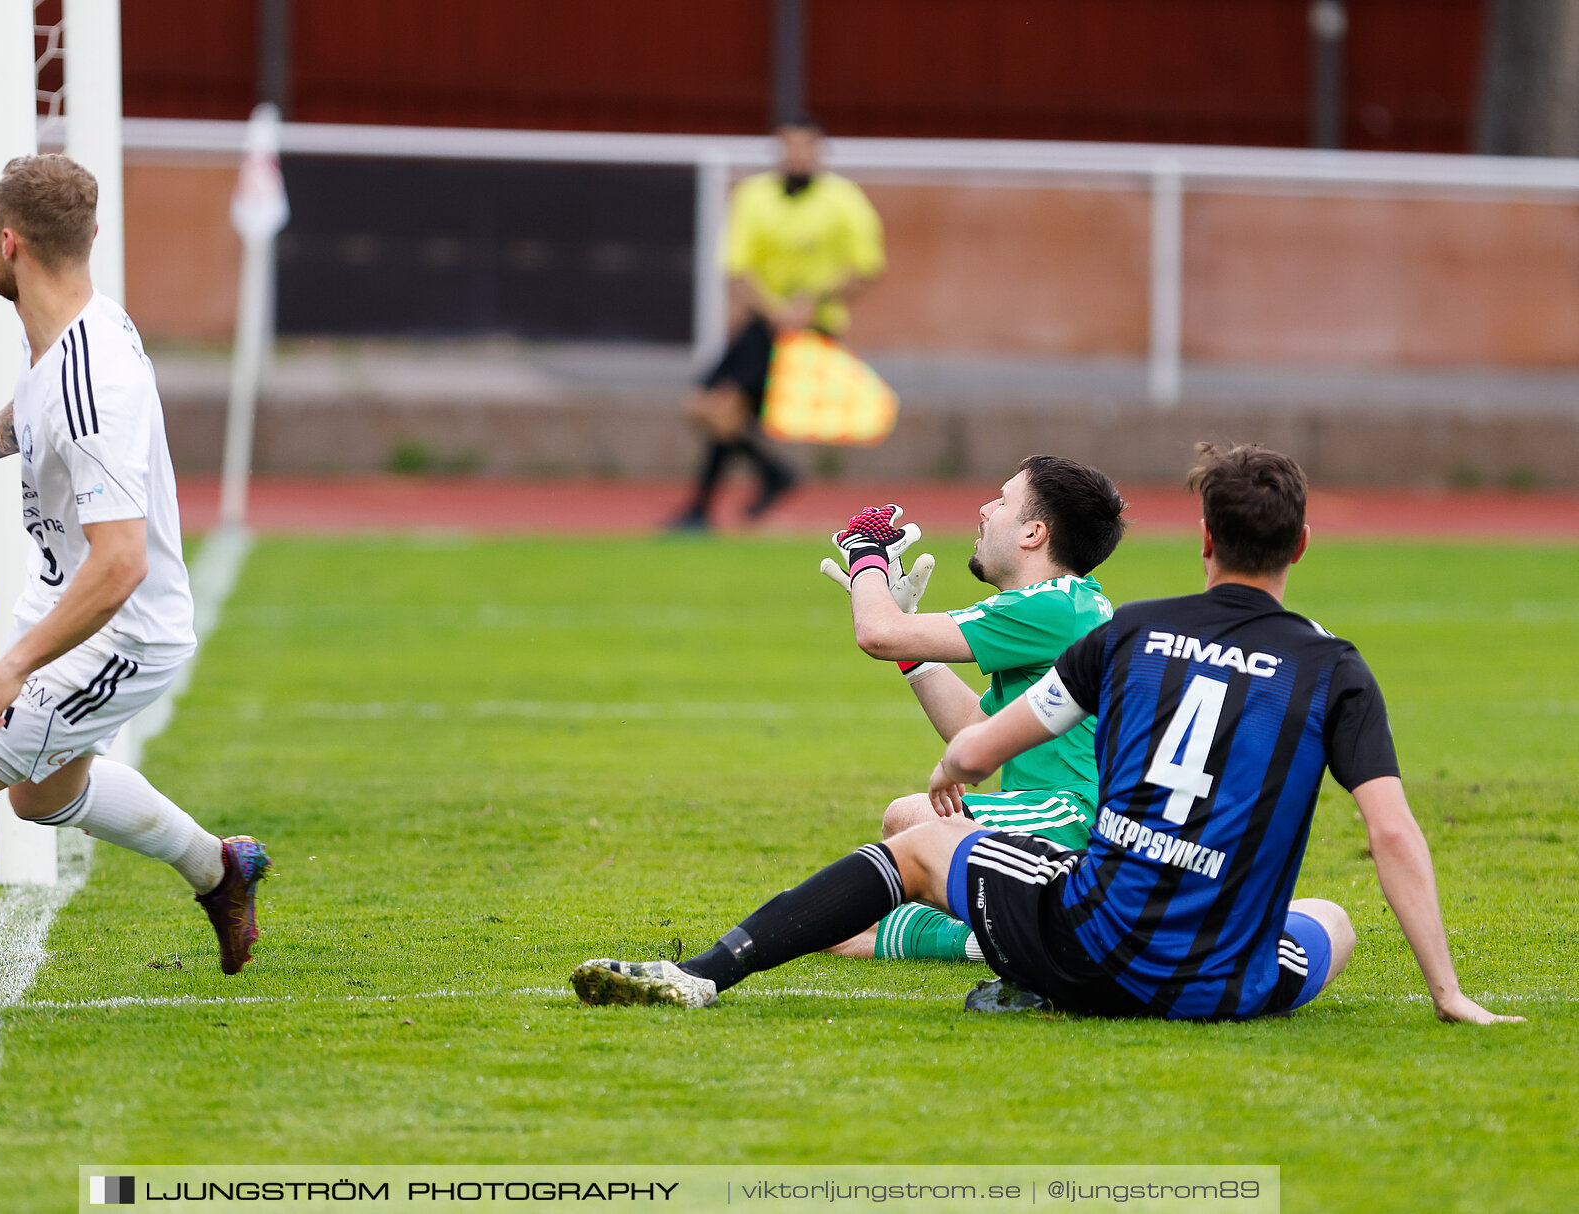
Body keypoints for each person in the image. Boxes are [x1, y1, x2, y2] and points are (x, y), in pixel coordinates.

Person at [574, 443, 1522, 1026]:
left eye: (1000, 499)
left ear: (1203, 540)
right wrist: (1444, 991)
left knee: (913, 836)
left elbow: (978, 744)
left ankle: (708, 974)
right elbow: (1392, 834)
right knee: (1334, 920)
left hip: (1099, 939)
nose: (986, 508)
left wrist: (953, 761)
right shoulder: (1334, 664)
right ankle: (982, 950)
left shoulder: (1128, 631)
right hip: (1223, 977)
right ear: (1302, 549)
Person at [0, 154, 269, 1008]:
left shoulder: (91, 381)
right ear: (89, 237)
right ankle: (221, 867)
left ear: (6, 243)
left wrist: (14, 665)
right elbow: (34, 411)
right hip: (73, 593)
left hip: (121, 628)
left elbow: (121, 563)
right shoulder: (80, 329)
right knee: (41, 796)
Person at [816, 455, 1123, 964]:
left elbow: (876, 633)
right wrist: (912, 640)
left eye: (1002, 501)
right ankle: (994, 934)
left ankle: (1006, 934)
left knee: (909, 817)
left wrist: (866, 555)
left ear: (1033, 534)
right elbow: (973, 729)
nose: (984, 509)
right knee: (839, 929)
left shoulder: (1055, 605)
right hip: (1059, 819)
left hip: (1076, 817)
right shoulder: (1065, 606)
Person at [671, 116, 884, 530]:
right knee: (708, 405)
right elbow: (737, 267)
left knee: (723, 407)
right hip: (763, 323)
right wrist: (773, 309)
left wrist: (813, 301)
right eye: (790, 147)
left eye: (806, 147)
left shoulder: (844, 200)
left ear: (820, 152)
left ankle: (702, 509)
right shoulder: (755, 196)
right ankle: (769, 476)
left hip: (812, 329)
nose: (798, 155)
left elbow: (866, 268)